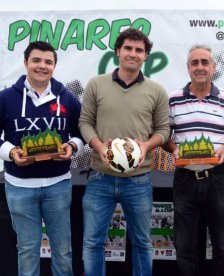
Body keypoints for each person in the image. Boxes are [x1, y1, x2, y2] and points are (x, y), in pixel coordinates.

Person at [79, 28, 170, 276]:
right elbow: (85, 122)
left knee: (142, 243)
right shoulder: (96, 84)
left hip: (139, 180)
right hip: (100, 178)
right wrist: (100, 147)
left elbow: (164, 130)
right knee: (92, 243)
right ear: (118, 51)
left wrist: (146, 146)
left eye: (139, 50)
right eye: (128, 48)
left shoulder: (157, 91)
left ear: (146, 56)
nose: (133, 53)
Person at [0, 41, 84, 276]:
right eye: (36, 60)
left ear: (54, 66)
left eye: (48, 62)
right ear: (25, 62)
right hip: (19, 187)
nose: (42, 66)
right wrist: (11, 152)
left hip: (58, 185)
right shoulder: (6, 98)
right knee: (27, 249)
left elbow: (81, 132)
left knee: (63, 249)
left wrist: (72, 146)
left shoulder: (67, 98)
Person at [164, 44, 224, 276]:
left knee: (221, 245)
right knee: (184, 245)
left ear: (213, 67)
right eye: (195, 63)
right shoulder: (173, 99)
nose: (200, 67)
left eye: (204, 62)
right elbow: (163, 136)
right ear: (188, 67)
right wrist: (173, 149)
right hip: (184, 179)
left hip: (217, 179)